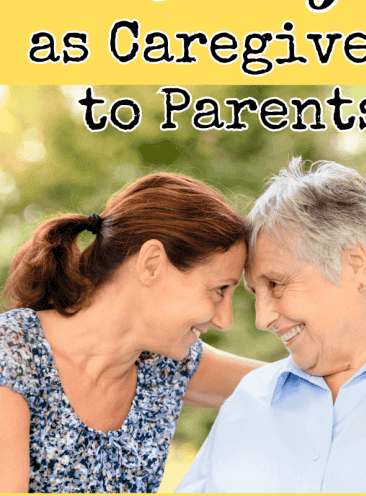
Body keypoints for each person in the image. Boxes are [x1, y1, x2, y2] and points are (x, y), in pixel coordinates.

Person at [176, 159, 366, 493]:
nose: (262, 318)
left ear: (353, 264)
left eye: (275, 284)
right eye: (256, 293)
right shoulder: (249, 398)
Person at [0, 171, 261, 493]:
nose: (225, 319)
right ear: (151, 263)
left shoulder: (164, 363)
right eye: (219, 289)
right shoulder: (13, 350)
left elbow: (298, 385)